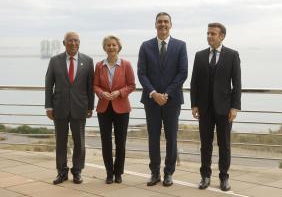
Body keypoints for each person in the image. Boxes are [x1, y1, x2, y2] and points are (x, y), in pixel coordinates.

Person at [137, 12, 188, 187]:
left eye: (166, 22)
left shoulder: (180, 46)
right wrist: (154, 93)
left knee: (171, 138)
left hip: (172, 101)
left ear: (171, 25)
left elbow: (183, 73)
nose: (163, 24)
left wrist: (165, 94)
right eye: (160, 22)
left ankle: (168, 173)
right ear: (155, 25)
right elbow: (141, 74)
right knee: (153, 138)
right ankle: (154, 173)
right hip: (151, 100)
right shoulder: (145, 46)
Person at [190, 23, 241, 191]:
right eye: (208, 33)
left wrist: (234, 107)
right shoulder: (199, 55)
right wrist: (194, 104)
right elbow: (194, 82)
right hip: (204, 108)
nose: (209, 36)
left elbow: (237, 84)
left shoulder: (232, 55)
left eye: (213, 33)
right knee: (205, 144)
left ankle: (224, 178)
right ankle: (205, 176)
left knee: (224, 144)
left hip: (224, 109)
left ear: (222, 36)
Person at [45, 31, 94, 185]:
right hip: (59, 107)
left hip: (80, 107)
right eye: (70, 40)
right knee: (61, 141)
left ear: (79, 43)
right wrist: (48, 106)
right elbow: (48, 85)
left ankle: (77, 171)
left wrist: (90, 106)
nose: (73, 43)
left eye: (76, 40)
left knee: (79, 141)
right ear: (64, 43)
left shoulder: (88, 60)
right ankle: (62, 172)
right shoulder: (55, 61)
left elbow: (90, 86)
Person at [93, 35, 135, 184]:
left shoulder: (126, 65)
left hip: (122, 108)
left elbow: (131, 85)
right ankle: (109, 173)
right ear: (104, 48)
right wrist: (101, 93)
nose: (111, 47)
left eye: (114, 45)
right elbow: (95, 85)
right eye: (108, 45)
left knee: (120, 142)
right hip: (104, 108)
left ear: (119, 47)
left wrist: (119, 93)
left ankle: (118, 173)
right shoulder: (99, 66)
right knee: (106, 142)